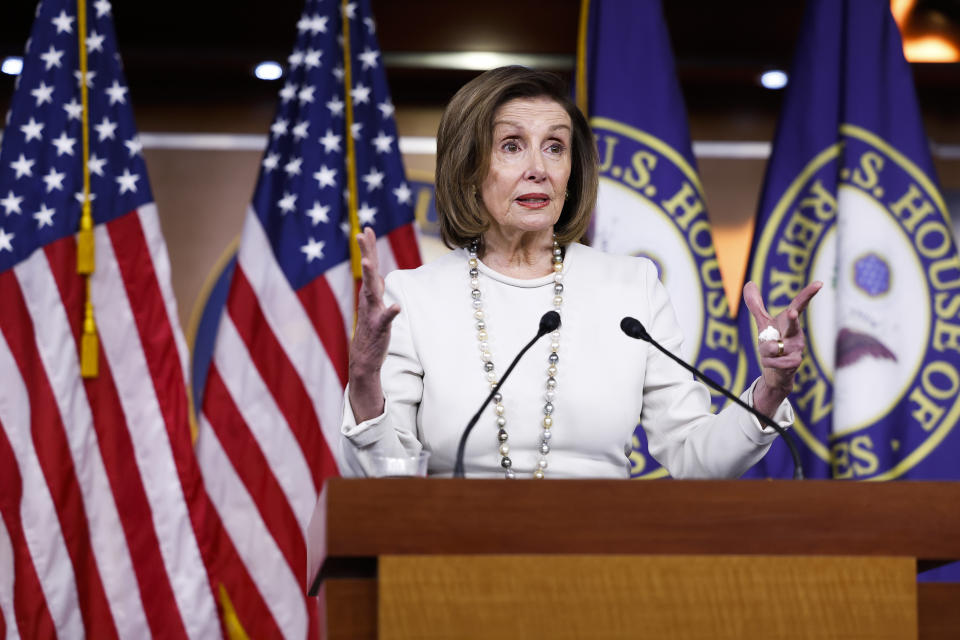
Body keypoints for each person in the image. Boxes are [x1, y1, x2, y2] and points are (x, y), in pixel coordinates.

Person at [341, 66, 820, 479]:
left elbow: (693, 455)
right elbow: (385, 471)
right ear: (467, 166)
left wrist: (770, 391)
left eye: (555, 147)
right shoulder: (415, 297)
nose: (538, 169)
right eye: (511, 146)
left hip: (601, 558)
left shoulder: (632, 287)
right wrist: (364, 377)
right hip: (456, 557)